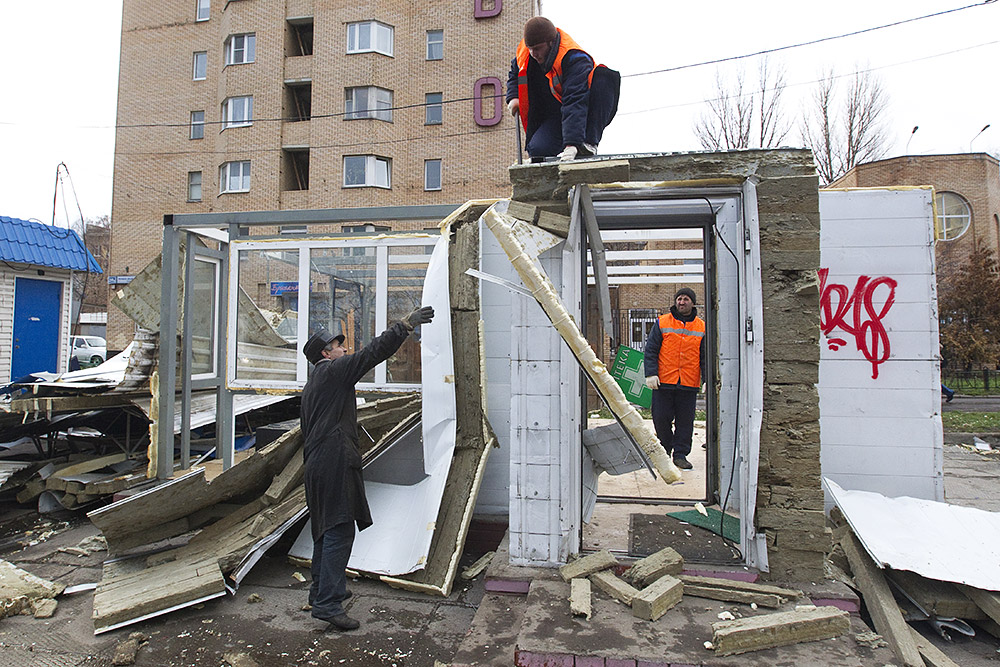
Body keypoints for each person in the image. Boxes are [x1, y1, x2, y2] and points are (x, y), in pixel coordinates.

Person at [300, 306, 434, 631]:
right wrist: (403, 326)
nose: (344, 349)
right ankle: (328, 604)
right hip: (333, 464)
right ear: (325, 353)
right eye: (339, 346)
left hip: (317, 465)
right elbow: (371, 354)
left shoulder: (314, 383)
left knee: (325, 529)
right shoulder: (332, 372)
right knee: (339, 529)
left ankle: (321, 591)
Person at [505, 16, 620, 161]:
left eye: (538, 49)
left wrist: (572, 143)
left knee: (604, 77)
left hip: (585, 110)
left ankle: (588, 143)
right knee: (538, 149)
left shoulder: (574, 58)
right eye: (531, 49)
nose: (534, 54)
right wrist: (513, 96)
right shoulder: (526, 51)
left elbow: (574, 100)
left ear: (551, 43)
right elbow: (515, 72)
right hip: (556, 114)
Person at [643, 288, 706, 471]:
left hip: (688, 383)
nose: (682, 302)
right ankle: (665, 448)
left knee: (685, 421)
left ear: (692, 303)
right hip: (664, 381)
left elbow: (705, 356)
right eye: (679, 299)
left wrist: (707, 379)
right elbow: (651, 350)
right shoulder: (662, 322)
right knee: (660, 418)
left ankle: (680, 455)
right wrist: (651, 373)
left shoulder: (701, 327)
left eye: (686, 299)